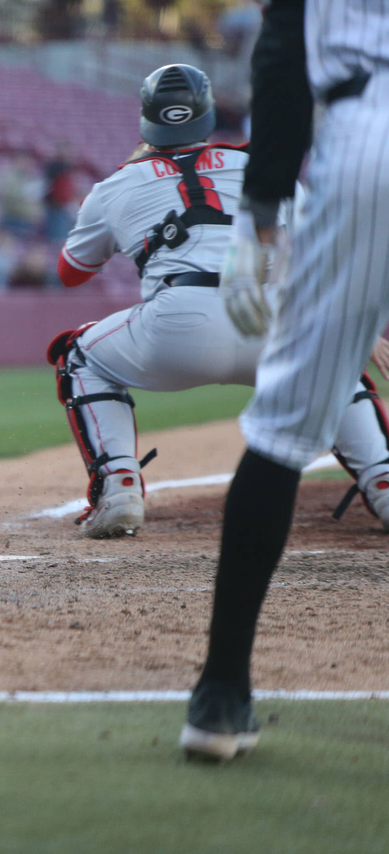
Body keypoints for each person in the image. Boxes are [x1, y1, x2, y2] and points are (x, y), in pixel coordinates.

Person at [48, 63, 389, 539]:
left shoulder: (115, 186)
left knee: (79, 356)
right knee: (333, 367)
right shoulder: (264, 164)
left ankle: (118, 486)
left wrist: (127, 187)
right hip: (268, 321)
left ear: (147, 120)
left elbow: (71, 273)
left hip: (177, 326)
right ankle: (383, 482)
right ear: (207, 115)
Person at [181, 0, 389, 762]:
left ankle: (220, 696)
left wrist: (258, 212)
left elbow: (284, 48)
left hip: (366, 133)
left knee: (282, 429)